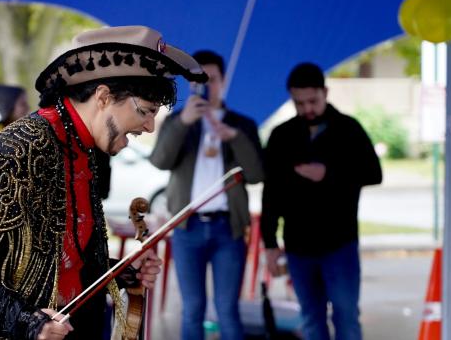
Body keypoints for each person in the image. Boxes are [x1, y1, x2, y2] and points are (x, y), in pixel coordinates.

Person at [0, 25, 208, 340]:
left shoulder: (86, 148)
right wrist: (29, 323)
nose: (150, 126)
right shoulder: (19, 146)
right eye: (144, 111)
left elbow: (62, 261)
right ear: (103, 96)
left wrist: (123, 271)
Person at [261, 62, 382, 340]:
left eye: (312, 101)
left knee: (346, 317)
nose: (307, 109)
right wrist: (269, 242)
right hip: (299, 245)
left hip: (339, 243)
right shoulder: (282, 135)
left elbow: (374, 173)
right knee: (311, 319)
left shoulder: (348, 129)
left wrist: (329, 174)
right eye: (299, 103)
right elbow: (272, 192)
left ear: (325, 92)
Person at [150, 50, 263, 340]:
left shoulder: (242, 124)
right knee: (193, 308)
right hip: (188, 226)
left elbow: (255, 174)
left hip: (229, 227)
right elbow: (160, 161)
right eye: (201, 81)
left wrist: (233, 137)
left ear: (223, 81)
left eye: (212, 79)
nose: (207, 86)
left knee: (227, 308)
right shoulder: (179, 121)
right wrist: (183, 122)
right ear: (191, 85)